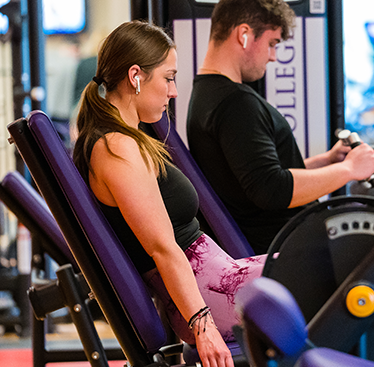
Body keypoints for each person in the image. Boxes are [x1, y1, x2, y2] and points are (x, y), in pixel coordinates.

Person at [73, 21, 264, 367]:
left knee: (322, 258)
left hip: (220, 282)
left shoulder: (124, 140)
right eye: (168, 77)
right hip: (209, 296)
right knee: (327, 266)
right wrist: (203, 325)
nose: (174, 91)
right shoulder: (116, 148)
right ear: (135, 76)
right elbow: (162, 247)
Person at [187, 0, 374, 255]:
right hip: (288, 253)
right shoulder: (236, 103)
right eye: (271, 43)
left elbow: (252, 178)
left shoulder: (207, 94)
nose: (273, 56)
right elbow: (272, 189)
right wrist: (349, 169)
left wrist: (326, 162)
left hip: (287, 243)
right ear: (244, 34)